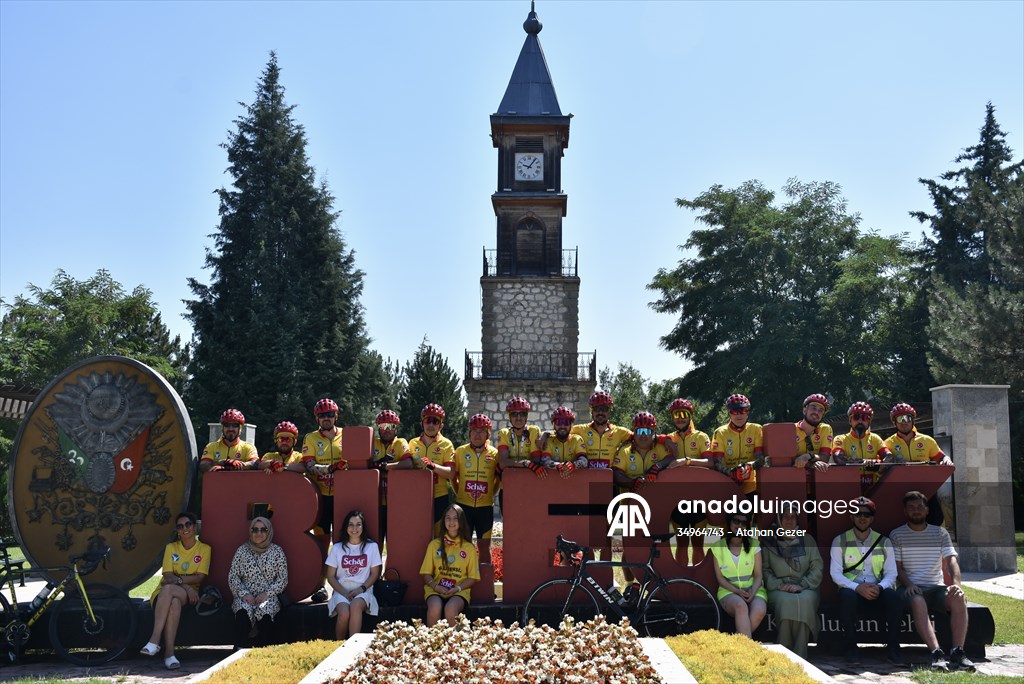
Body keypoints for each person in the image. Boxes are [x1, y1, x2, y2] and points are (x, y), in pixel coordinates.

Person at [890, 491, 975, 671]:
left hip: (937, 588)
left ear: (927, 510)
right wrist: (910, 585)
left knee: (958, 598)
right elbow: (897, 568)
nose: (916, 511)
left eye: (920, 507)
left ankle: (958, 652)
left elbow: (952, 561)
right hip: (909, 589)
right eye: (911, 508)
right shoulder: (897, 534)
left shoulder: (940, 533)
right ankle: (936, 654)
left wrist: (956, 585)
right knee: (918, 601)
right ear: (905, 511)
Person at [828, 496, 905, 666]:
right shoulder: (839, 540)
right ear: (851, 517)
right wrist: (857, 588)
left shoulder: (884, 542)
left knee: (894, 599)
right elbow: (835, 574)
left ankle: (893, 650)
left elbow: (892, 573)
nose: (862, 517)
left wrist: (880, 587)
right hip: (852, 590)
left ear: (872, 518)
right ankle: (851, 649)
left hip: (877, 589)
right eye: (857, 513)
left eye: (866, 514)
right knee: (847, 598)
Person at [611, 411, 675, 600]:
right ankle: (632, 586)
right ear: (634, 431)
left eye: (648, 430)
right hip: (630, 507)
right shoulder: (624, 451)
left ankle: (660, 585)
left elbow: (672, 458)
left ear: (654, 431)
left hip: (658, 508)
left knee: (658, 548)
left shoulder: (660, 449)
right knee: (628, 550)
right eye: (640, 430)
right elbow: (615, 473)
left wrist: (657, 466)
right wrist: (632, 483)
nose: (644, 434)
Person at [140, 512, 211, 670]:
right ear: (177, 531)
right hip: (169, 592)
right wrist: (184, 585)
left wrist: (180, 583)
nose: (185, 528)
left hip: (189, 595)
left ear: (194, 527)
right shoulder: (171, 548)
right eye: (180, 526)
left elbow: (199, 577)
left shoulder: (204, 549)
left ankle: (154, 639)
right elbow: (167, 575)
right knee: (174, 602)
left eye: (188, 524)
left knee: (170, 590)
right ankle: (169, 654)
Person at [761, 503, 822, 659]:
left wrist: (801, 585)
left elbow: (817, 567)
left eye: (793, 517)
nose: (789, 520)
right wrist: (779, 585)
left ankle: (801, 653)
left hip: (805, 587)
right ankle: (785, 652)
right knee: (787, 602)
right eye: (785, 517)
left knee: (805, 601)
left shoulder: (807, 540)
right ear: (779, 519)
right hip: (778, 588)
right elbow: (764, 570)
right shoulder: (770, 542)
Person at [885, 403, 952, 524]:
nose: (904, 422)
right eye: (900, 419)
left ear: (913, 420)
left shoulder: (926, 440)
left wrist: (946, 460)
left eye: (907, 418)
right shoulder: (888, 443)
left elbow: (941, 457)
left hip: (926, 488)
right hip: (901, 490)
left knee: (936, 518)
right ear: (894, 422)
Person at [227, 516, 288, 647]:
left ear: (269, 531)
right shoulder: (242, 551)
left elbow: (283, 579)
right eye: (255, 530)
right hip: (246, 595)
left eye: (263, 529)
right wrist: (244, 594)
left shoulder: (277, 551)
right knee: (243, 611)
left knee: (266, 610)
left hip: (268, 596)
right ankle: (239, 649)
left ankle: (264, 652)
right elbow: (233, 576)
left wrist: (267, 594)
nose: (259, 533)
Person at [396, 403, 456, 533]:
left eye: (435, 421)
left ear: (441, 425)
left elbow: (451, 474)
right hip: (418, 495)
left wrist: (432, 466)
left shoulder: (446, 444)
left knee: (438, 535)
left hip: (439, 496)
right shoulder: (412, 443)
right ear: (422, 423)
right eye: (428, 421)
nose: (431, 425)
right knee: (418, 534)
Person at [450, 414, 500, 563]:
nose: (477, 435)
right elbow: (453, 476)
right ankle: (463, 579)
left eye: (481, 431)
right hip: (464, 507)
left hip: (485, 508)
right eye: (474, 431)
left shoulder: (495, 454)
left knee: (484, 547)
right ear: (469, 433)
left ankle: (485, 582)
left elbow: (498, 479)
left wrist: (492, 493)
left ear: (488, 434)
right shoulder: (460, 452)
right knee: (463, 546)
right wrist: (459, 492)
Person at [326, 510, 382, 640]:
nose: (354, 528)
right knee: (344, 613)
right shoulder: (337, 548)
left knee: (356, 606)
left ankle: (352, 646)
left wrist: (360, 589)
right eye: (351, 524)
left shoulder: (371, 547)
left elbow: (375, 573)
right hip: (341, 591)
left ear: (363, 527)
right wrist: (344, 593)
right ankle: (338, 646)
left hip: (363, 590)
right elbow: (330, 576)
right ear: (346, 527)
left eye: (358, 524)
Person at [420, 504, 479, 626]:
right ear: (443, 521)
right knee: (435, 607)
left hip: (459, 591)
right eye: (448, 518)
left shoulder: (469, 548)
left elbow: (472, 577)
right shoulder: (434, 545)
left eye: (455, 518)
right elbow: (426, 573)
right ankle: (431, 641)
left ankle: (454, 644)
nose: (451, 522)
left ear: (461, 521)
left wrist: (457, 588)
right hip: (435, 589)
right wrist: (436, 587)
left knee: (451, 609)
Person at [710, 512, 767, 639]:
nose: (740, 525)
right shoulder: (717, 547)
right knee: (740, 606)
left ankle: (737, 642)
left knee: (760, 610)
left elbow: (758, 575)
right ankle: (747, 651)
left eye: (744, 523)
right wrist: (737, 591)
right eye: (736, 521)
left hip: (754, 589)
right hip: (728, 591)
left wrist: (753, 591)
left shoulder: (754, 545)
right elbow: (720, 579)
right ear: (729, 523)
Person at [710, 394, 765, 498]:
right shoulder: (720, 432)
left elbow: (761, 458)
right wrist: (732, 473)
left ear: (747, 413)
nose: (739, 415)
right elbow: (717, 463)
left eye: (742, 411)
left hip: (751, 486)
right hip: (728, 486)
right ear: (729, 414)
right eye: (734, 412)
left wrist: (749, 466)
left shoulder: (757, 429)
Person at [831, 402, 893, 491]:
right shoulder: (841, 439)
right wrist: (865, 463)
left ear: (869, 421)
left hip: (874, 488)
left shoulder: (875, 438)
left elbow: (889, 457)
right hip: (850, 487)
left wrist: (877, 463)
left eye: (864, 418)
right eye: (856, 417)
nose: (860, 421)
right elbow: (839, 458)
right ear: (850, 420)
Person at [370, 410, 409, 544]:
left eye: (391, 426)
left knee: (395, 542)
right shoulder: (372, 443)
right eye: (382, 426)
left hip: (395, 502)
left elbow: (408, 463)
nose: (387, 430)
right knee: (376, 541)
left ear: (396, 428)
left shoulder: (400, 443)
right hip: (375, 502)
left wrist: (387, 466)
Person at [568, 391, 632, 470]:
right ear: (592, 411)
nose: (600, 412)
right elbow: (559, 433)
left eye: (604, 409)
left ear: (609, 411)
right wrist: (547, 435)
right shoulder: (580, 429)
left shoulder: (619, 432)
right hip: (586, 478)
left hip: (609, 479)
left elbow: (641, 437)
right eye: (596, 408)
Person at [200, 409, 259, 473]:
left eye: (235, 425)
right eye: (227, 425)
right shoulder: (211, 446)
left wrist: (232, 466)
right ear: (222, 427)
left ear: (240, 428)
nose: (230, 429)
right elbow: (203, 466)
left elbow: (255, 464)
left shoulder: (248, 447)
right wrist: (223, 462)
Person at [537, 406, 588, 478]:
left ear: (571, 425)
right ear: (553, 425)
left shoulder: (577, 439)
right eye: (559, 422)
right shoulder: (549, 440)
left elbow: (584, 461)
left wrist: (573, 465)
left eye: (566, 422)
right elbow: (545, 461)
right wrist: (558, 466)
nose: (562, 426)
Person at [792, 393, 832, 472]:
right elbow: (788, 460)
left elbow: (825, 457)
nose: (816, 413)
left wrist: (808, 456)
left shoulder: (825, 429)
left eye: (820, 411)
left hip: (817, 479)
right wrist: (812, 464)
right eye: (813, 408)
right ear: (804, 410)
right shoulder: (791, 430)